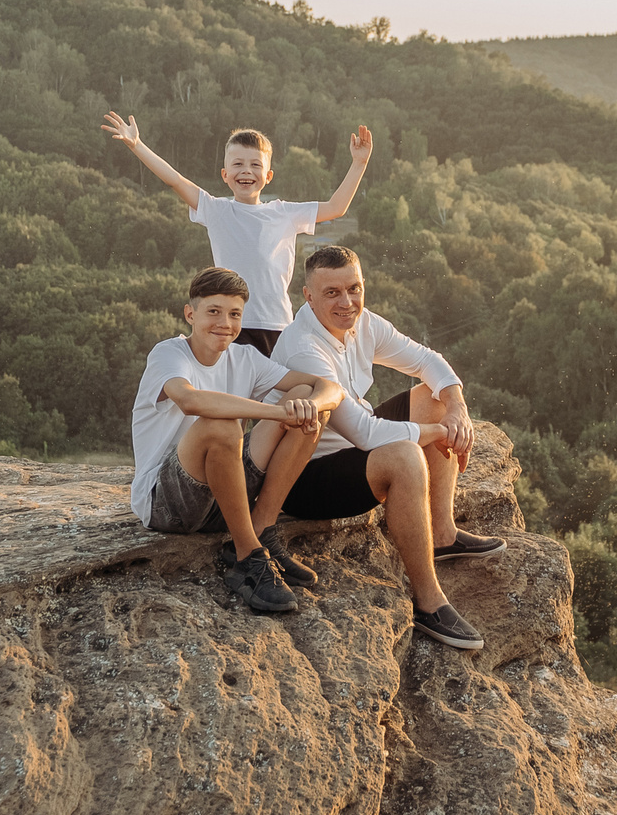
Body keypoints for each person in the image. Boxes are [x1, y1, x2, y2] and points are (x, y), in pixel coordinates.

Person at [257, 244, 499, 651]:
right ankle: (427, 601)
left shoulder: (362, 323)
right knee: (405, 456)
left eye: (354, 288)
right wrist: (439, 433)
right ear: (308, 296)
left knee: (434, 395)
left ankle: (442, 534)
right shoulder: (305, 348)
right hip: (307, 474)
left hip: (351, 447)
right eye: (332, 292)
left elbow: (428, 359)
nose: (347, 301)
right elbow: (368, 435)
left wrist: (456, 410)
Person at [129, 266, 344, 615]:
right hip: (168, 503)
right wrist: (277, 413)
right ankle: (248, 559)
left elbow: (329, 388)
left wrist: (310, 406)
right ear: (190, 314)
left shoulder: (245, 357)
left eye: (234, 314)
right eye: (213, 311)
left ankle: (262, 530)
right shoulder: (168, 354)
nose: (224, 323)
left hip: (224, 495)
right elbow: (191, 400)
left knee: (305, 399)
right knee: (224, 425)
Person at [101, 114, 373, 356]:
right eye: (238, 164)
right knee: (233, 405)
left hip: (276, 325)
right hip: (230, 325)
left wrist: (359, 163)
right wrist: (137, 145)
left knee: (278, 406)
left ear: (268, 176)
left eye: (255, 165)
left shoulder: (284, 213)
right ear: (225, 174)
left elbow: (336, 208)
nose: (246, 170)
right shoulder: (216, 209)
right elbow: (174, 179)